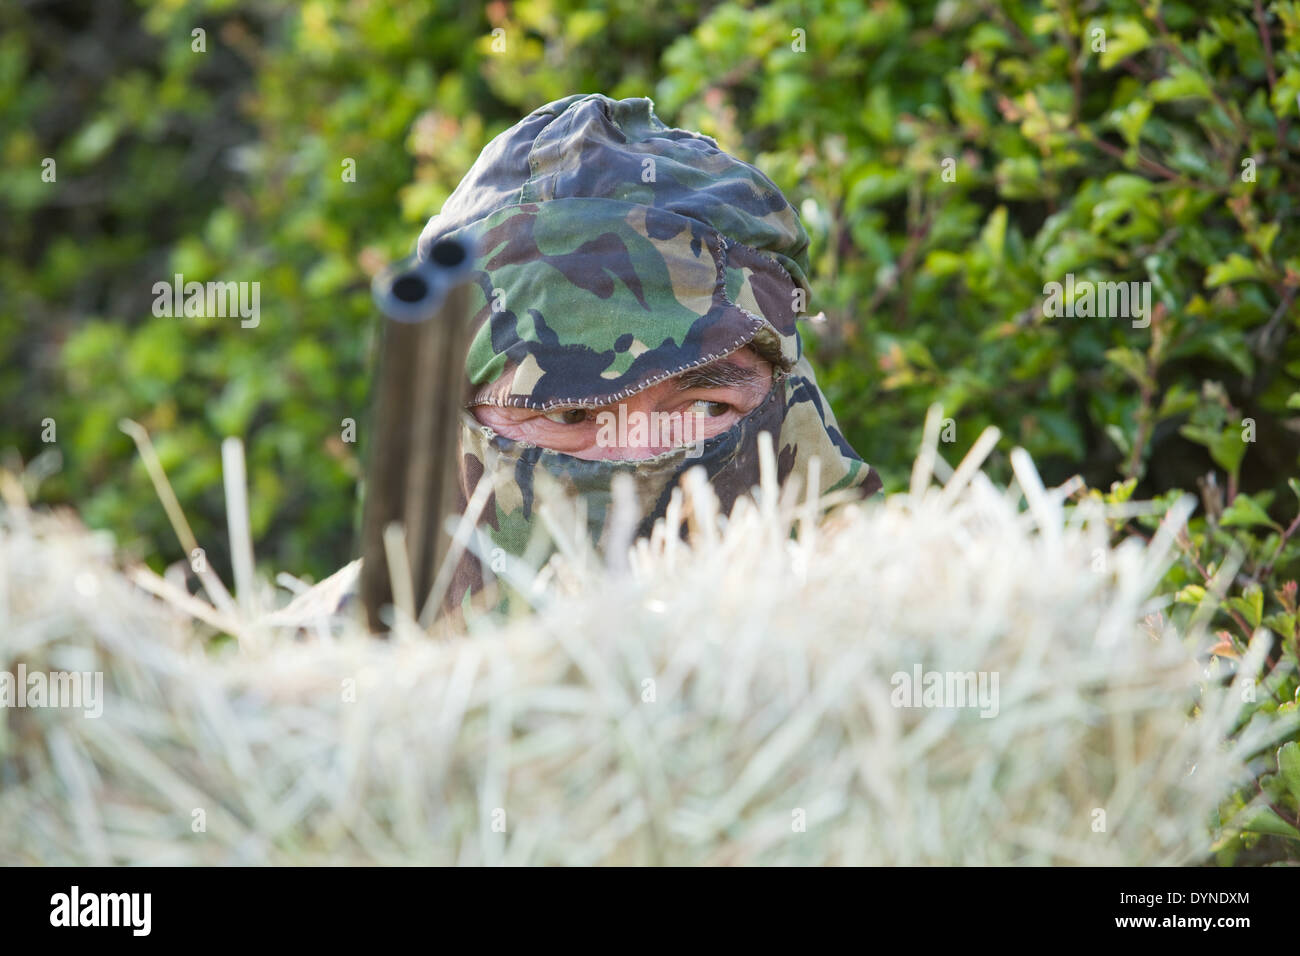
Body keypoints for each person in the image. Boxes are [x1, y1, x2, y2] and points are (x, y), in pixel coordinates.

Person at [413, 93, 882, 611]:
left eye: (706, 407)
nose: (637, 453)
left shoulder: (909, 621)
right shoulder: (331, 658)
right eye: (569, 412)